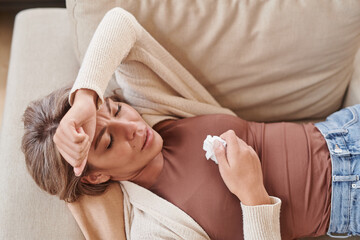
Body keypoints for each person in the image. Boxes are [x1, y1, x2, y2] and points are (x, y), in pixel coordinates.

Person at [22, 7, 360, 240]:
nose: (131, 126)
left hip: (343, 128)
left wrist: (86, 98)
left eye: (114, 109)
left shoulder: (154, 111)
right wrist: (253, 195)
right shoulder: (155, 228)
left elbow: (120, 22)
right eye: (108, 141)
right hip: (347, 198)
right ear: (96, 175)